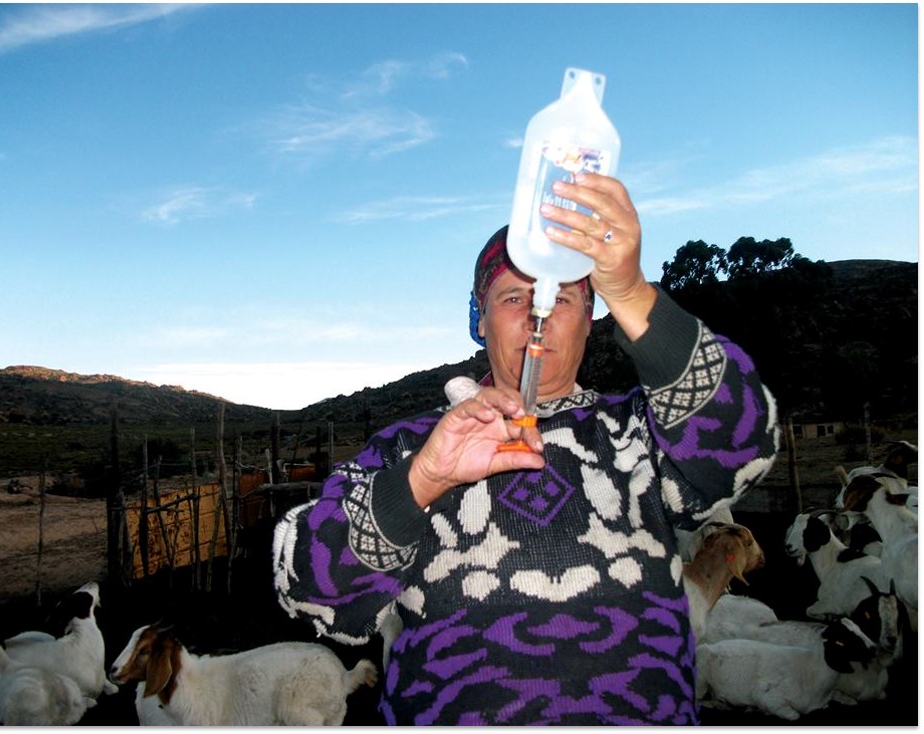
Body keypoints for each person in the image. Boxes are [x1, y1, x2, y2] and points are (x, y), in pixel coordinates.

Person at [272, 173, 779, 725]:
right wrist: (420, 484)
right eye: (514, 296)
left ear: (590, 319)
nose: (538, 315)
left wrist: (631, 291)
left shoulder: (641, 431)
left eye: (560, 297)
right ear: (478, 319)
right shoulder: (410, 449)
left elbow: (744, 443)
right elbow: (310, 590)